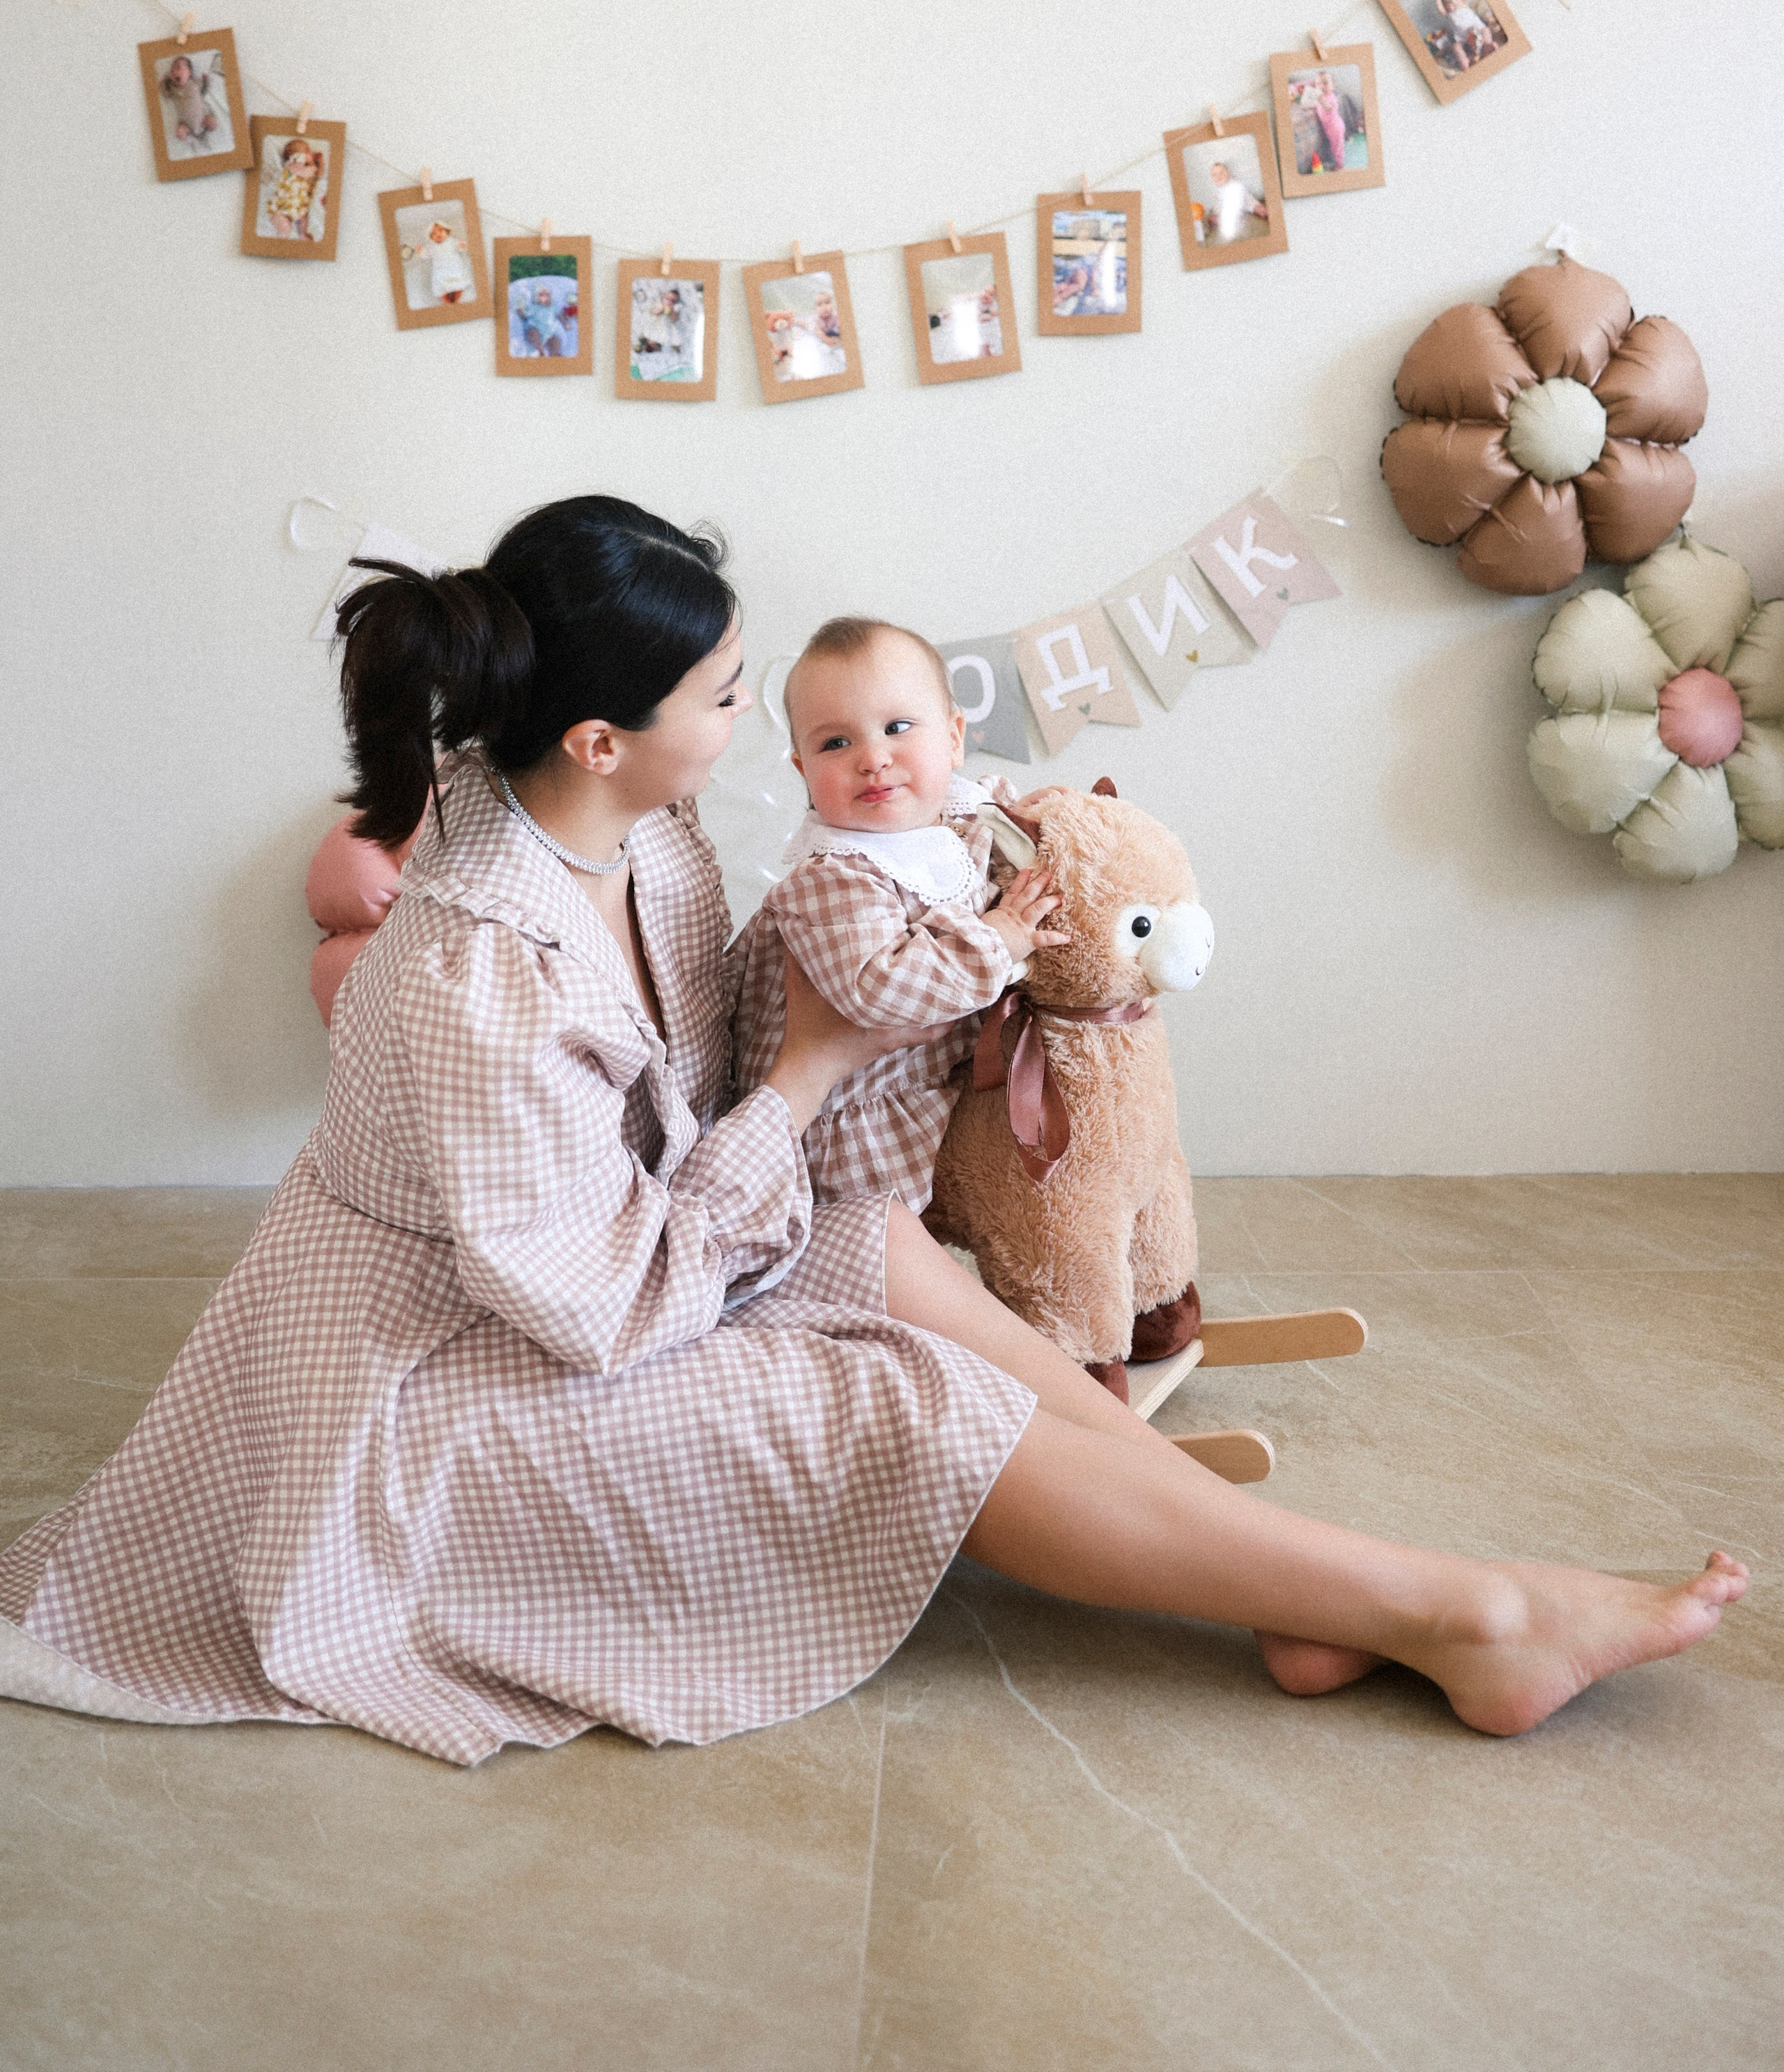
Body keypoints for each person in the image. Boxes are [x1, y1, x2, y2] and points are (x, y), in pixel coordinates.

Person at [0, 496, 1746, 1763]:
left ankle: (1316, 1586)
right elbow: (598, 1301)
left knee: (879, 1251)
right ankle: (1456, 1614)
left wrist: (917, 967)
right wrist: (820, 1071)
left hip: (617, 1248)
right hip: (442, 1385)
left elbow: (714, 1090)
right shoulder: (478, 971)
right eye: (726, 695)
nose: (750, 724)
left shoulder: (629, 825)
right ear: (604, 733)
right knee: (890, 1398)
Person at [732, 616, 1065, 1211]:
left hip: (935, 1093)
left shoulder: (958, 820)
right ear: (803, 771)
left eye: (897, 727)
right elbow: (881, 987)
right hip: (844, 1127)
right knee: (888, 1245)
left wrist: (1036, 823)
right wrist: (999, 938)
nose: (873, 758)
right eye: (836, 743)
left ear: (955, 738)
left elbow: (994, 839)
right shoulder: (832, 876)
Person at [264, 135, 325, 239]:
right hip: (281, 207)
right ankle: (282, 233)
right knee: (285, 227)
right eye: (307, 152)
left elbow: (320, 175)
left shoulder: (308, 170)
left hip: (298, 206)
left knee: (304, 217)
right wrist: (313, 167)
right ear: (296, 156)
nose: (310, 154)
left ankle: (302, 233)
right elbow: (307, 173)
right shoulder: (292, 166)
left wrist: (320, 163)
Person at [160, 50, 220, 149]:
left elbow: (204, 92)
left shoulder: (195, 83)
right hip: (186, 125)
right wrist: (164, 83)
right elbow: (165, 94)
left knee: (213, 123)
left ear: (189, 72)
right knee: (180, 132)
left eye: (178, 68)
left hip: (203, 119)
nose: (174, 72)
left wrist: (206, 82)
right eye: (172, 71)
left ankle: (209, 127)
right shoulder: (172, 88)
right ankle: (189, 138)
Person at [1206, 158, 1266, 242]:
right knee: (1217, 215)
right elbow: (1217, 204)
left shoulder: (1234, 184)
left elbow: (1246, 197)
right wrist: (1217, 214)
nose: (1219, 176)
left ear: (1228, 173)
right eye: (1214, 175)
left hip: (1243, 202)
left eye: (1222, 172)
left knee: (1252, 204)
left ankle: (1259, 210)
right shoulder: (1217, 192)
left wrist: (1255, 206)